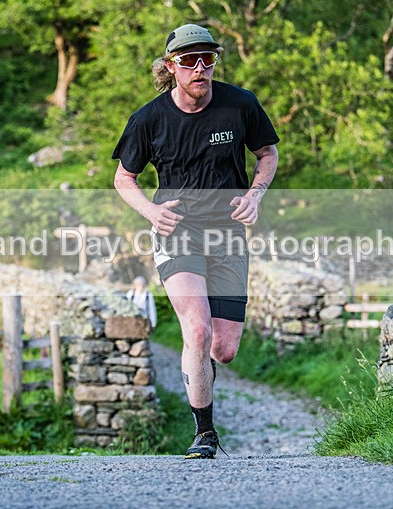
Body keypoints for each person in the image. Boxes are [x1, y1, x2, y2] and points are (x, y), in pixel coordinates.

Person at [112, 24, 279, 459]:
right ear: (171, 67)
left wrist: (254, 195)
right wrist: (151, 212)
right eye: (189, 60)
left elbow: (267, 153)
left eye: (208, 58)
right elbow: (124, 178)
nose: (200, 68)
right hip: (176, 230)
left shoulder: (240, 104)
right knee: (198, 329)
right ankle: (205, 433)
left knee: (223, 349)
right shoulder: (148, 119)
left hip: (227, 233)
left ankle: (201, 372)